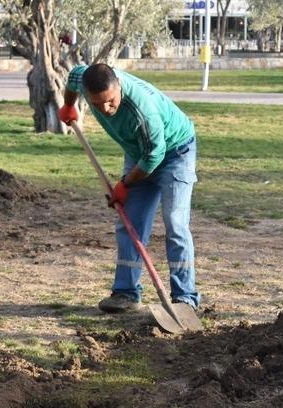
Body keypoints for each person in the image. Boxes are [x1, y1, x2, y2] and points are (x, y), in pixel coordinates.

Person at [58, 63, 201, 314]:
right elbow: (72, 80)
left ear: (118, 87)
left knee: (176, 224)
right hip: (139, 154)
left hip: (175, 152)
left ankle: (185, 298)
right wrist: (69, 105)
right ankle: (126, 293)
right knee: (130, 224)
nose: (105, 109)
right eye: (97, 103)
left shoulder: (142, 110)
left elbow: (154, 157)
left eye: (110, 101)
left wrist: (124, 185)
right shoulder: (84, 78)